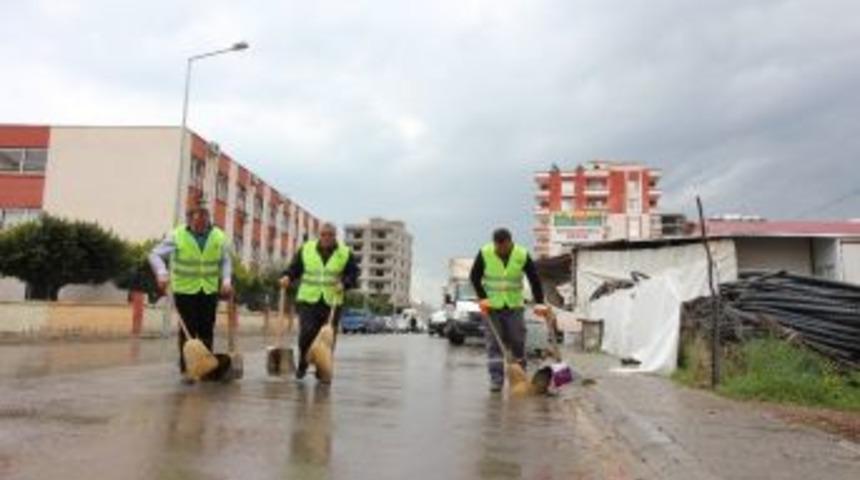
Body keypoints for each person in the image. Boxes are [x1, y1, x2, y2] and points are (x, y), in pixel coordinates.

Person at [148, 206, 233, 378]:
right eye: (196, 223)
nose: (200, 226)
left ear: (208, 220)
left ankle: (207, 367)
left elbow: (225, 261)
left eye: (204, 223)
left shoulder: (219, 236)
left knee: (206, 328)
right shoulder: (177, 235)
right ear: (189, 221)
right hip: (185, 289)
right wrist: (162, 273)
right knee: (188, 328)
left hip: (208, 289)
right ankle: (187, 367)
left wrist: (226, 281)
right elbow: (154, 254)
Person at [470, 228, 546, 392]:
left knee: (518, 341)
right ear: (494, 243)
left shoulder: (521, 254)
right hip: (492, 307)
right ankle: (496, 380)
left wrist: (539, 302)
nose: (500, 250)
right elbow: (474, 276)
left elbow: (534, 279)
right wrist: (483, 298)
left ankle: (520, 379)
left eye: (503, 246)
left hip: (514, 306)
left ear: (510, 242)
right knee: (494, 344)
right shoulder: (485, 252)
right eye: (498, 246)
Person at [280, 223, 359, 381]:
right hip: (308, 299)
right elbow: (295, 267)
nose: (326, 238)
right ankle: (303, 362)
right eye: (323, 234)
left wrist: (344, 283)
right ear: (319, 235)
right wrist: (287, 276)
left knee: (328, 339)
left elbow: (354, 273)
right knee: (306, 334)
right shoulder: (307, 248)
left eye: (330, 234)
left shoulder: (344, 253)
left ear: (335, 236)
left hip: (332, 301)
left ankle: (322, 369)